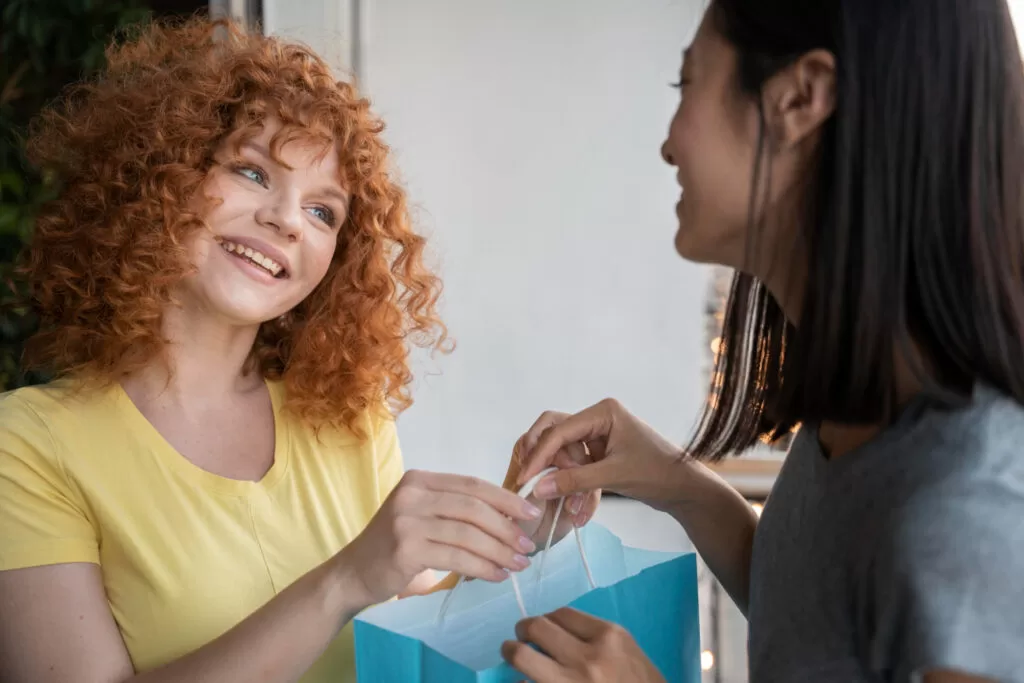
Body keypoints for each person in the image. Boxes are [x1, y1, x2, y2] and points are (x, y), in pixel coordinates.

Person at [0, 17, 557, 683]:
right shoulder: (26, 447)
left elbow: (417, 651)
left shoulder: (351, 418)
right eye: (252, 171)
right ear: (158, 175)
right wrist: (343, 579)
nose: (287, 219)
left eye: (324, 212)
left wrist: (519, 534)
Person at [501, 0, 1024, 681]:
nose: (667, 143)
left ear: (800, 99)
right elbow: (820, 621)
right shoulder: (866, 411)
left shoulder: (970, 513)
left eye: (685, 86)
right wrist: (674, 479)